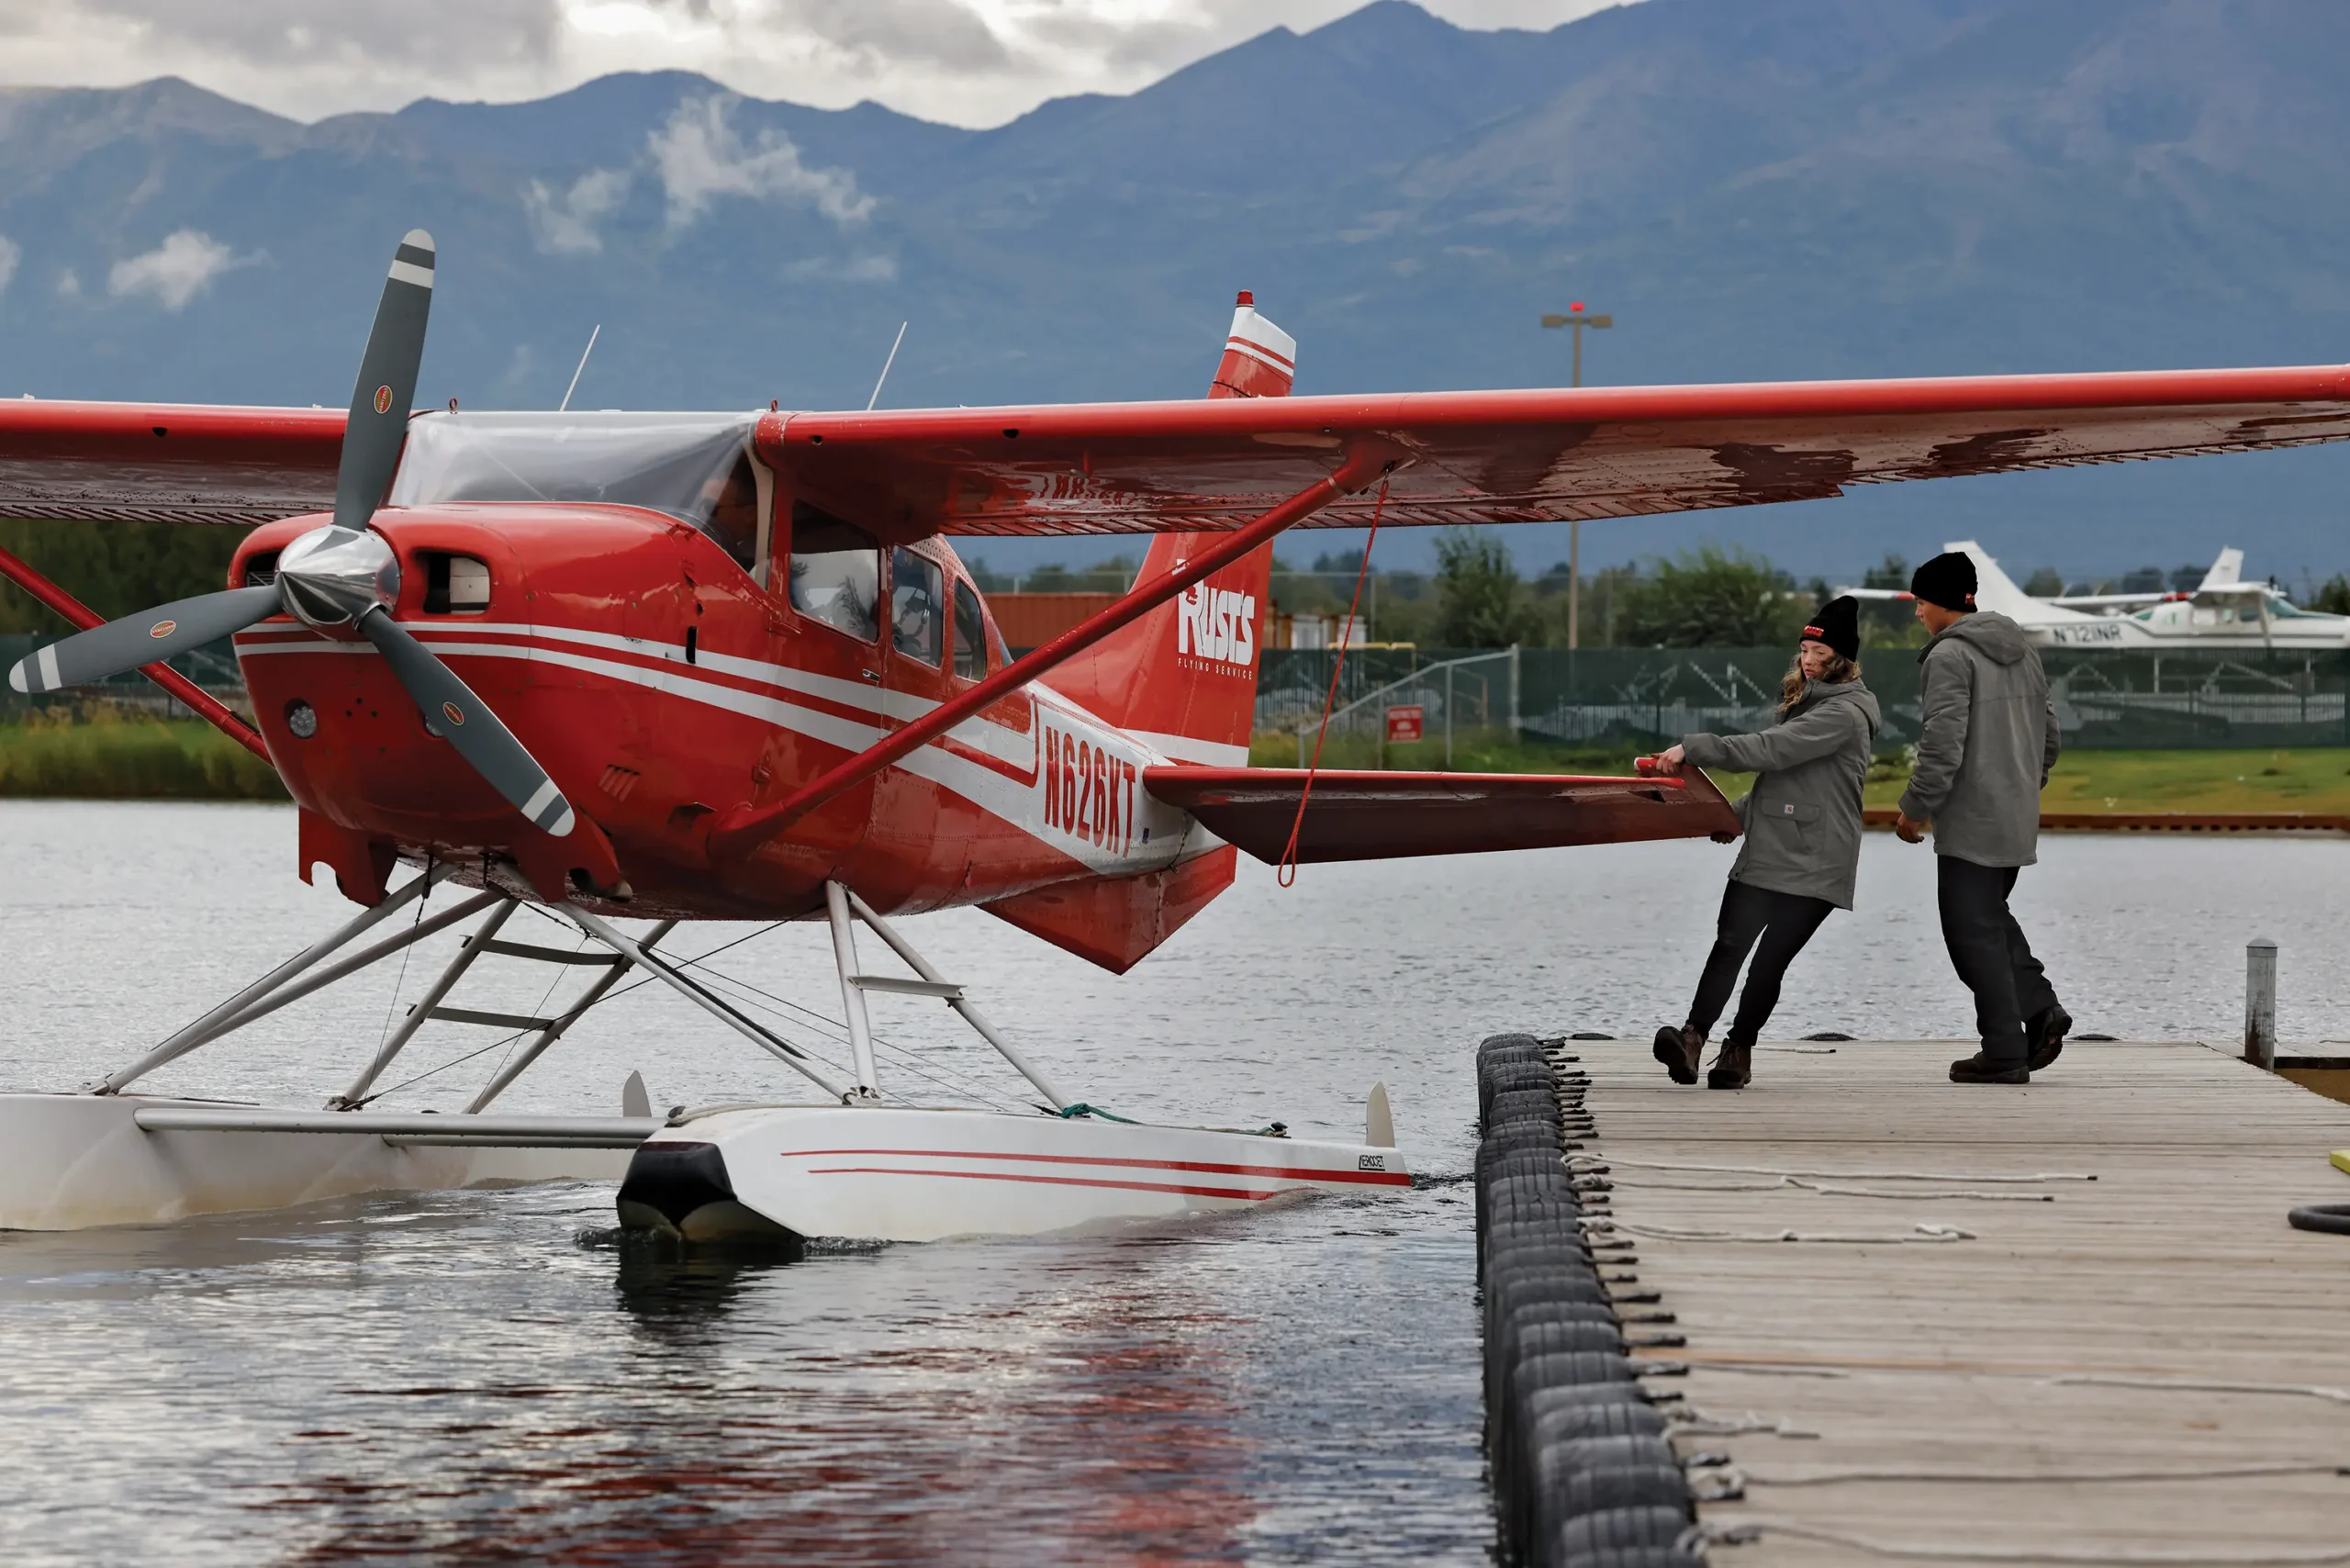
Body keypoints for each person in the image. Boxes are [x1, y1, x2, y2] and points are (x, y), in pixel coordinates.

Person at [1651, 597, 1880, 1090]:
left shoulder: (1844, 713)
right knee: (1729, 946)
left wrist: (1694, 748)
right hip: (1771, 849)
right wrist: (1733, 818)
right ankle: (1692, 1040)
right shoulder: (1806, 703)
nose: (1808, 660)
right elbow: (1780, 784)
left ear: (1844, 660)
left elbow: (1771, 751)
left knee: (1768, 963)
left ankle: (1738, 1050)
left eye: (1821, 654)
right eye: (1805, 650)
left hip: (1820, 861)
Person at [1892, 551, 2069, 1085]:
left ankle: (2004, 1051)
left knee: (1970, 936)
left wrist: (1914, 808)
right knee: (1989, 920)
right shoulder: (2022, 650)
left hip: (1971, 821)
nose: (1918, 613)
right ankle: (2041, 1009)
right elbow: (2050, 734)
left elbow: (1941, 745)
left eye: (1921, 602)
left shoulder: (1949, 656)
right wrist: (2025, 786)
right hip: (2015, 815)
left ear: (1943, 602)